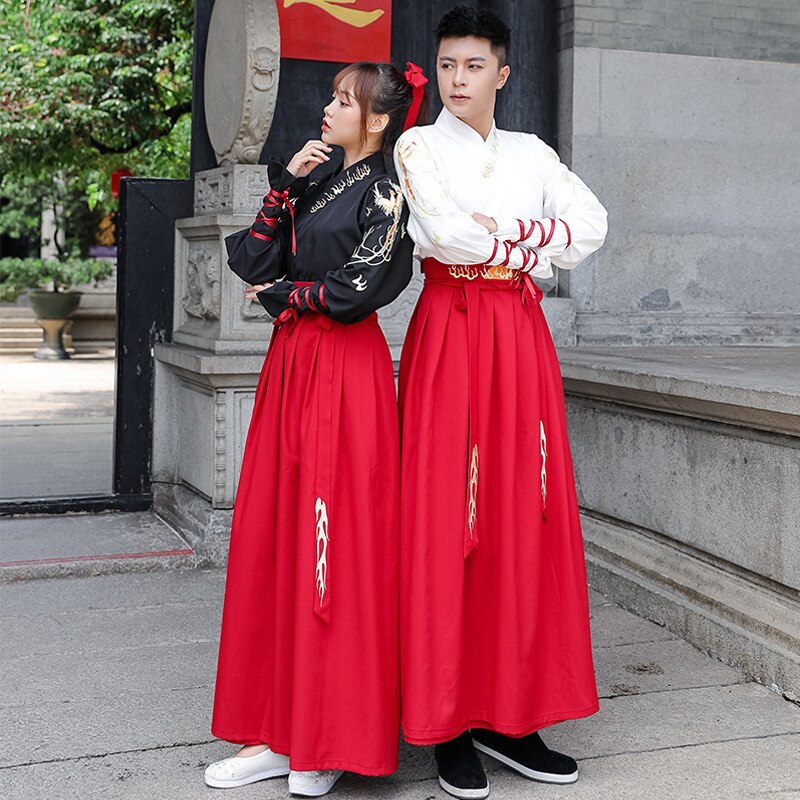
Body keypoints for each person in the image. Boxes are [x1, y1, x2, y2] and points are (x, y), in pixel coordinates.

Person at [393, 6, 608, 799]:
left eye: (473, 66)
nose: (457, 80)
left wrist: (510, 234)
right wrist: (529, 243)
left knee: (524, 510)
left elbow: (591, 224)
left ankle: (509, 712)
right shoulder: (416, 144)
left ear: (502, 74)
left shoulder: (532, 151)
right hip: (451, 331)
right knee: (450, 516)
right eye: (447, 65)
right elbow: (443, 235)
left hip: (519, 335)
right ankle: (447, 719)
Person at [205, 61, 428, 797]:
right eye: (332, 97)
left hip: (345, 371)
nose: (327, 110)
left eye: (343, 101)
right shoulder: (318, 180)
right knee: (277, 537)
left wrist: (285, 294)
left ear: (378, 119)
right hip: (292, 365)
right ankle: (277, 729)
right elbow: (250, 256)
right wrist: (283, 186)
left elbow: (355, 290)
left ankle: (329, 736)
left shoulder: (388, 192)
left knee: (334, 537)